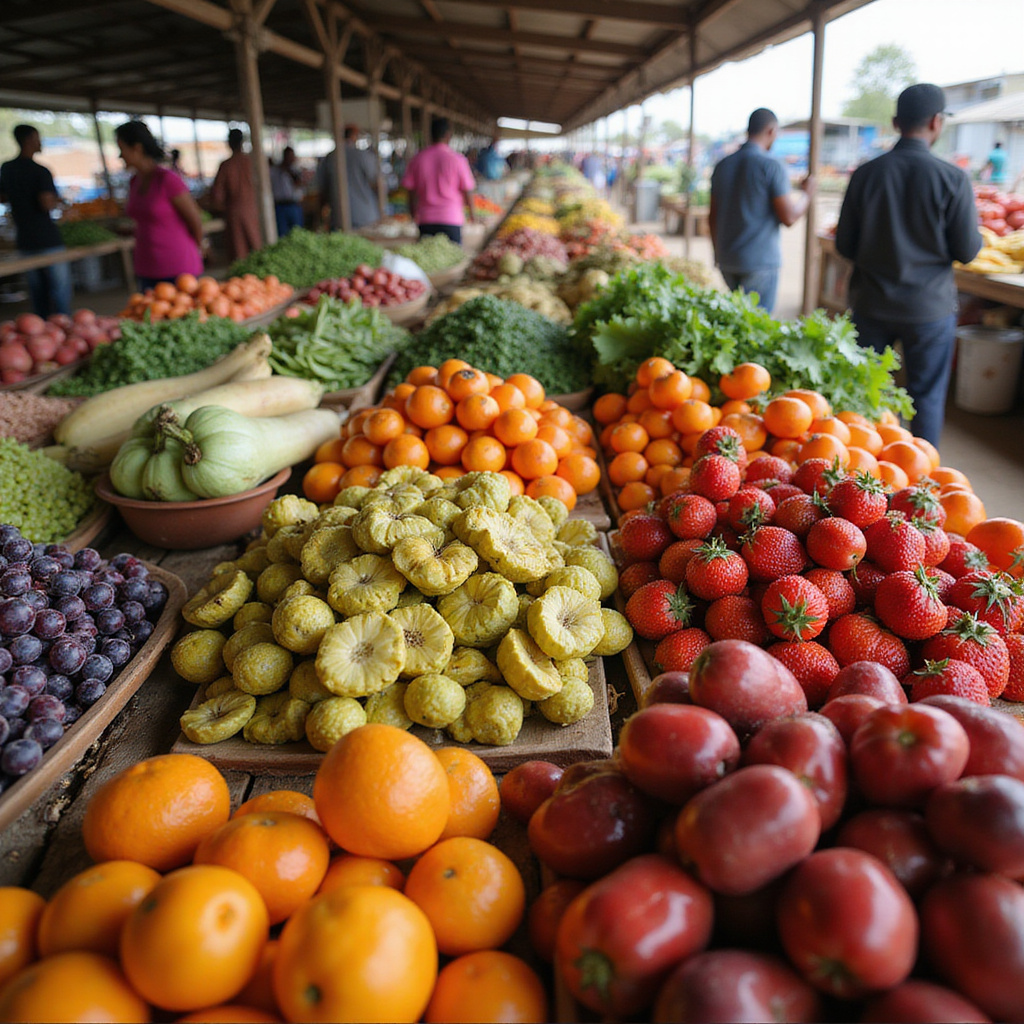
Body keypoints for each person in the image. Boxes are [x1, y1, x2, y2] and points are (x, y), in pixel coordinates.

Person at [835, 83, 982, 446]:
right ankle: (921, 483)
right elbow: (967, 250)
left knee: (870, 396)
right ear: (936, 122)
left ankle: (867, 480)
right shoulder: (952, 179)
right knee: (926, 398)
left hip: (870, 304)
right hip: (928, 310)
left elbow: (844, 244)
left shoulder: (865, 174)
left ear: (895, 122)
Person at [708, 108, 816, 314]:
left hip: (728, 260)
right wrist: (807, 194)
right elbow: (790, 217)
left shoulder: (722, 165)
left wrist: (717, 253)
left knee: (737, 321)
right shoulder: (770, 165)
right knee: (758, 327)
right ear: (771, 131)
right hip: (759, 263)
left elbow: (712, 217)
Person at [115, 120, 205, 291]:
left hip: (178, 265)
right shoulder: (134, 181)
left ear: (137, 148)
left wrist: (198, 249)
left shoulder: (167, 180)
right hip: (146, 266)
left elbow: (195, 221)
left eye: (122, 149)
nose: (120, 156)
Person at [0, 124, 71, 318]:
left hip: (24, 239)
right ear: (29, 139)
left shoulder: (7, 169)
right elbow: (46, 204)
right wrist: (60, 201)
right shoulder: (40, 171)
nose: (40, 142)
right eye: (38, 138)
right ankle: (64, 327)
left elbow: (3, 198)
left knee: (37, 291)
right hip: (47, 239)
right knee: (59, 291)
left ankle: (43, 328)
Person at [401, 117, 476, 243]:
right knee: (453, 259)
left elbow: (410, 190)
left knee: (428, 260)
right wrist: (473, 215)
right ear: (448, 135)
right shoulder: (458, 159)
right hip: (451, 218)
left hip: (426, 219)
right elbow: (467, 190)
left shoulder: (418, 159)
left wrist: (413, 214)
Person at [209, 128, 261, 262]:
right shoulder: (251, 163)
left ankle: (245, 282)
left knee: (239, 255)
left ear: (229, 143)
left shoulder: (226, 165)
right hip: (252, 210)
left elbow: (217, 195)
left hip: (234, 213)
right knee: (256, 249)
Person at [317, 125, 381, 231]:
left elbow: (323, 189)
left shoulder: (330, 157)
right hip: (365, 215)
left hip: (339, 215)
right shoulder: (362, 155)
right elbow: (376, 181)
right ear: (354, 136)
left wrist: (320, 215)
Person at [270, 147, 304, 238]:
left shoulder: (296, 170)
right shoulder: (275, 170)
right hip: (280, 206)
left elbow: (300, 183)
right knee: (282, 234)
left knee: (297, 233)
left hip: (294, 205)